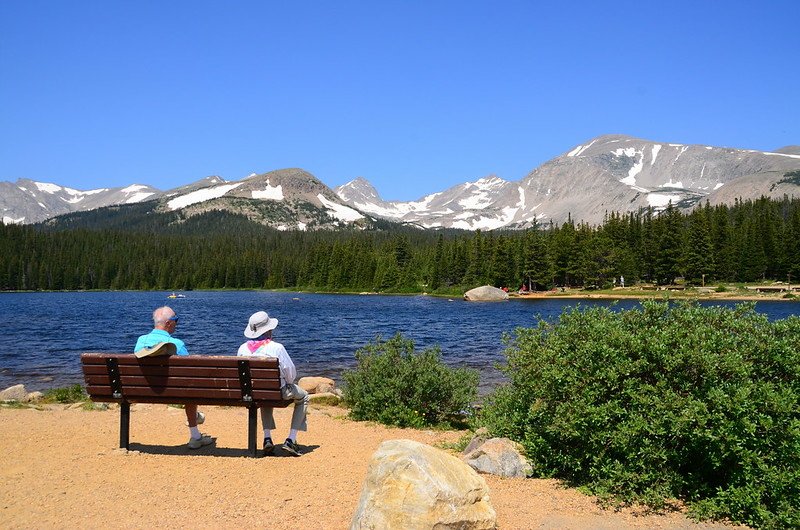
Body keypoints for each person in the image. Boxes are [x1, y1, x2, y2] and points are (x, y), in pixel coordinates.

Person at [134, 306, 212, 450]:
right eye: (176, 320)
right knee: (190, 389)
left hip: (146, 390)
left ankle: (196, 418)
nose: (177, 323)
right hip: (176, 392)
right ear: (169, 323)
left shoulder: (140, 342)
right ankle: (195, 436)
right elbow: (189, 371)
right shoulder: (178, 344)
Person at [238, 310, 309, 457]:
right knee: (304, 397)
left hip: (252, 393)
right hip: (278, 391)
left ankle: (267, 438)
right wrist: (288, 383)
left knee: (264, 394)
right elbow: (291, 374)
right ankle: (291, 439)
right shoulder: (277, 347)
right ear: (269, 329)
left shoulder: (242, 349)